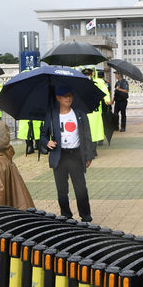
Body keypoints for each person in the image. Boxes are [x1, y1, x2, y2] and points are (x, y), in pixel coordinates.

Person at [41, 86, 95, 222]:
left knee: (81, 187)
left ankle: (86, 216)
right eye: (65, 96)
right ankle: (66, 216)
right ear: (58, 98)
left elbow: (87, 136)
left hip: (76, 154)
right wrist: (47, 142)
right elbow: (42, 135)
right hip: (59, 155)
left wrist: (89, 156)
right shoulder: (52, 115)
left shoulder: (79, 114)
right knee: (62, 189)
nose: (68, 98)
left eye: (70, 95)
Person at [86, 70, 111, 158]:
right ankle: (90, 151)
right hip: (85, 111)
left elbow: (105, 91)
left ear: (92, 74)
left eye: (88, 74)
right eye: (85, 74)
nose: (87, 76)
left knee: (94, 132)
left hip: (95, 111)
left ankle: (93, 150)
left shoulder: (98, 82)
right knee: (88, 133)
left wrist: (107, 99)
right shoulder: (80, 82)